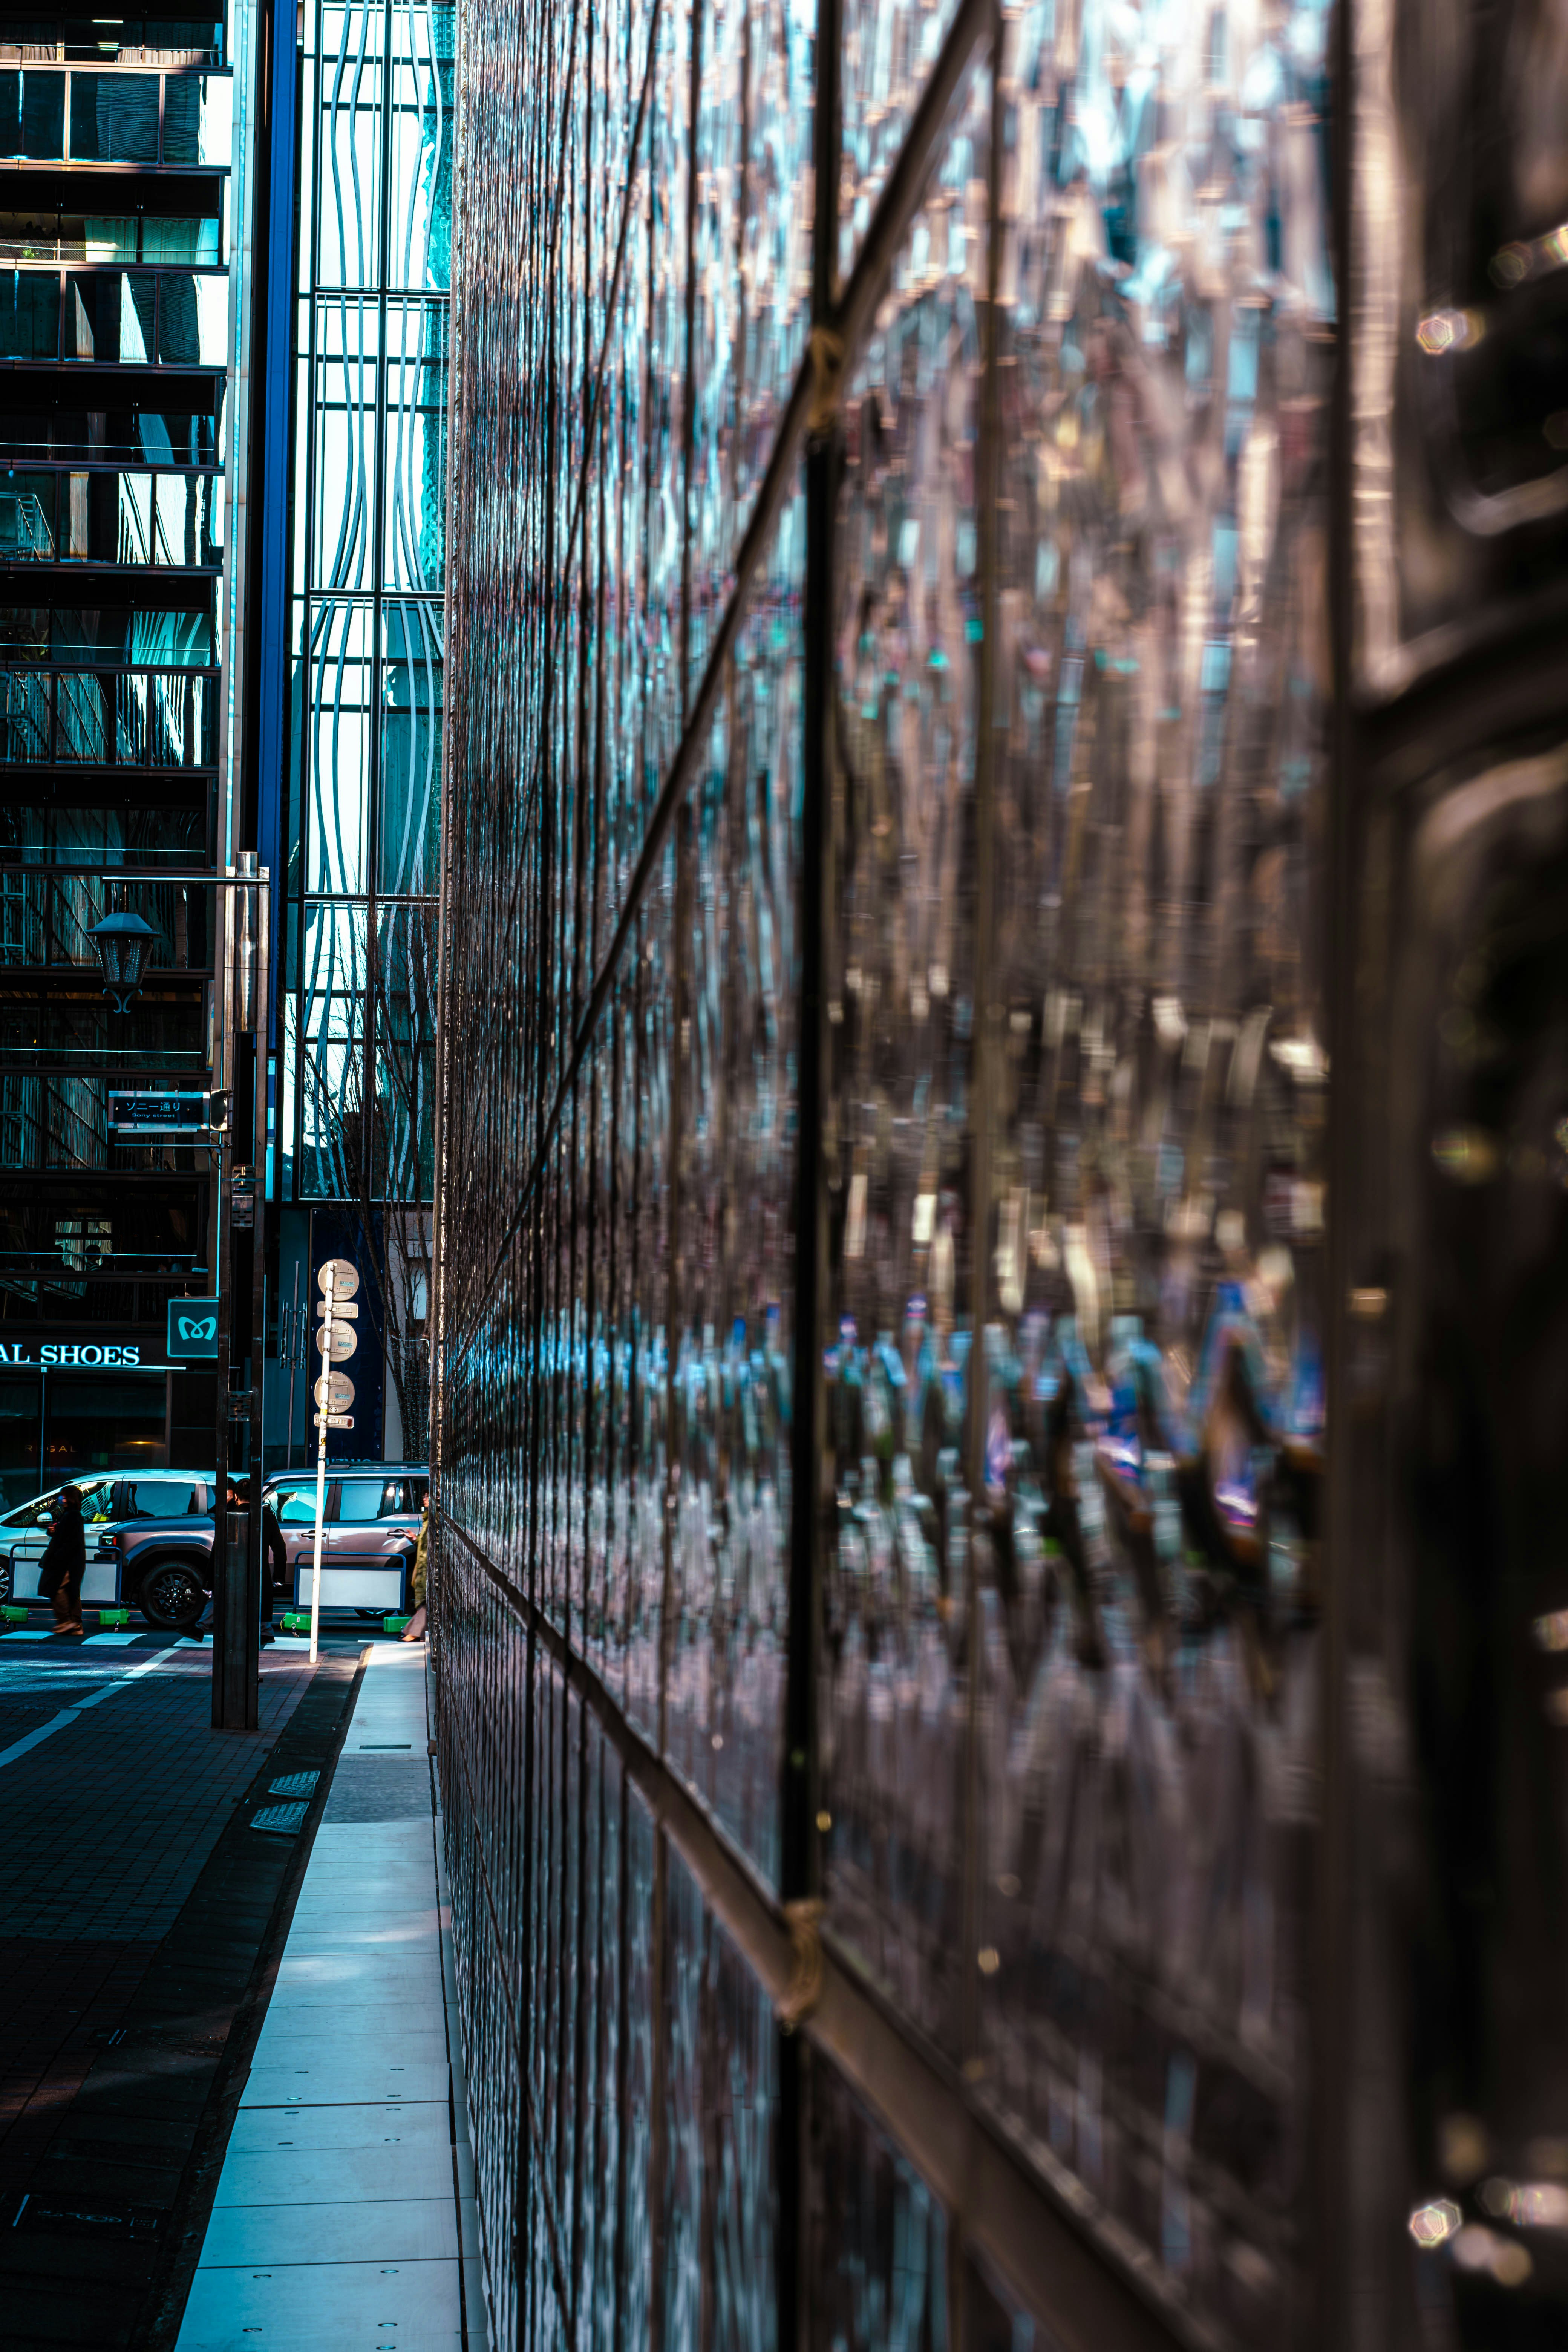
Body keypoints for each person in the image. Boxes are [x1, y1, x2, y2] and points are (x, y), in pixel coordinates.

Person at [40, 1484, 86, 1635]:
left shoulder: (72, 1516)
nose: (62, 1499)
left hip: (66, 1562)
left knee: (58, 1589)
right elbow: (65, 1536)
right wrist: (53, 1531)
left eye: (65, 1497)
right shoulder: (69, 1515)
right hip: (71, 1561)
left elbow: (69, 1541)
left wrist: (57, 1558)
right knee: (70, 1591)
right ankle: (75, 1625)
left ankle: (67, 1622)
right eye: (62, 1497)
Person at [401, 1488, 430, 1641]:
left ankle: (414, 1632)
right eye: (424, 1496)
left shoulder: (435, 1519)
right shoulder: (428, 1520)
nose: (424, 1499)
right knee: (423, 1599)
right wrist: (415, 1540)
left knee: (425, 1600)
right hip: (423, 1567)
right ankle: (415, 1633)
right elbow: (426, 1543)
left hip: (427, 1568)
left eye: (428, 1496)